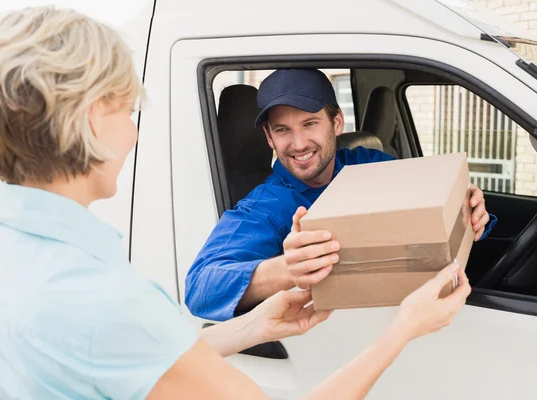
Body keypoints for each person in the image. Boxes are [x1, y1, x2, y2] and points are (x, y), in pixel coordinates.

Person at [0, 7, 471, 399]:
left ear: (336, 122)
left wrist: (252, 326)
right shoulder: (107, 300)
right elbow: (140, 328)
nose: (133, 134)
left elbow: (129, 361)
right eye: (128, 111)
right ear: (91, 122)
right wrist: (404, 327)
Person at [185, 68, 497, 321]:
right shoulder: (265, 207)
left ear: (336, 122)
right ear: (269, 136)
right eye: (282, 129)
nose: (298, 143)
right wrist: (288, 268)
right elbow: (200, 288)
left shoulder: (368, 165)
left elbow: (431, 214)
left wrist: (471, 214)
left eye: (310, 124)